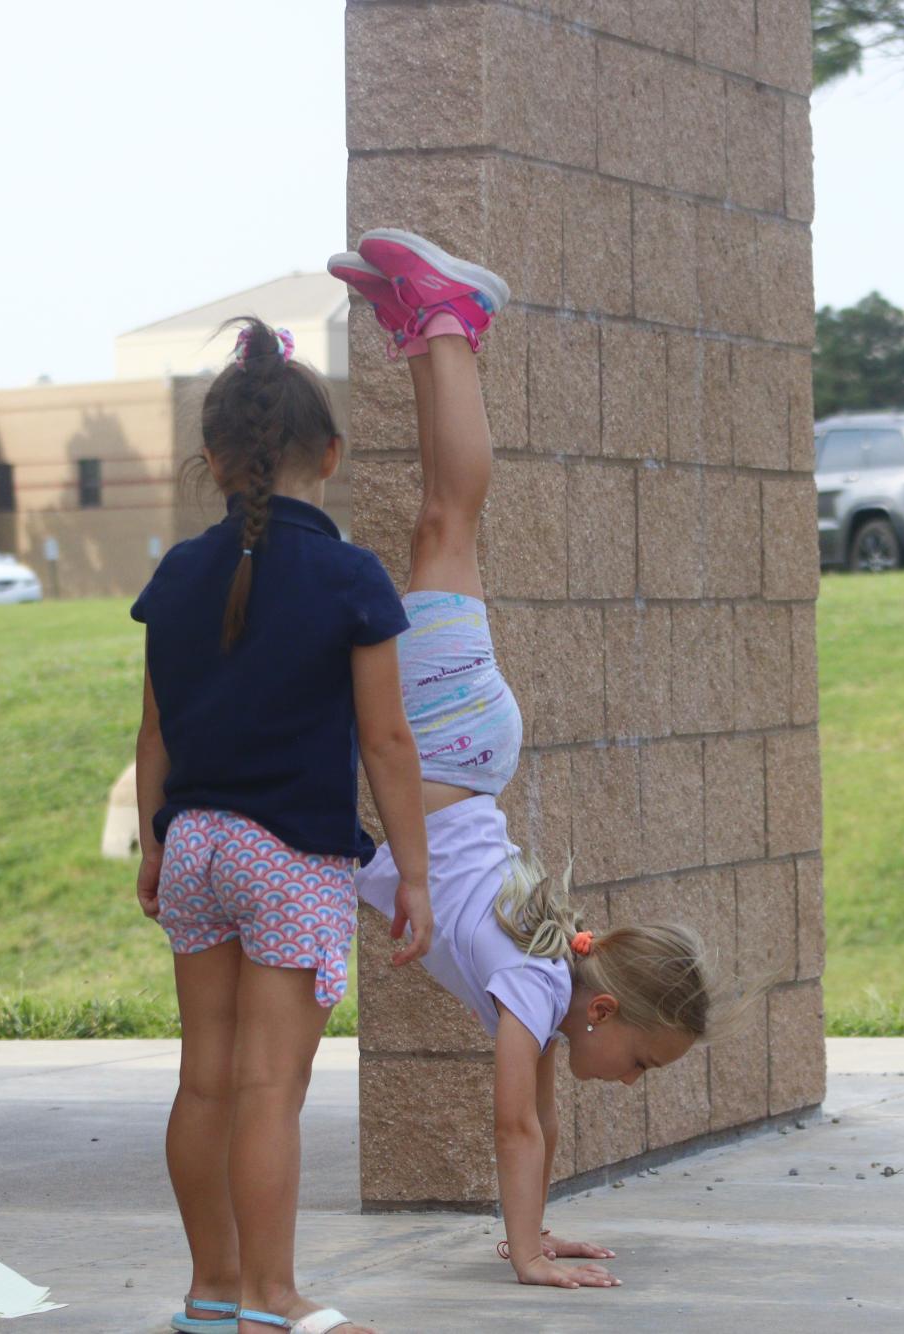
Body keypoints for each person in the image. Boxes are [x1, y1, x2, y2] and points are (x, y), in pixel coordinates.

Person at [331, 230, 735, 1293]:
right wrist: (521, 1256)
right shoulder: (533, 971)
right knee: (446, 523)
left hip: (462, 754)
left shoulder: (551, 978)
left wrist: (539, 1229)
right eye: (642, 1063)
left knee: (439, 523)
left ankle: (429, 329)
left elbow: (537, 1118)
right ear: (604, 1011)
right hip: (454, 742)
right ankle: (451, 320)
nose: (630, 1084)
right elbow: (513, 1119)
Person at [131, 317, 432, 1334]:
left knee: (205, 1076)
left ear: (212, 460)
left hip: (199, 846)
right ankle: (274, 1294)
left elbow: (154, 728)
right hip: (290, 856)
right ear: (332, 456)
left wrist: (155, 841)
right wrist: (417, 876)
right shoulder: (350, 576)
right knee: (271, 1081)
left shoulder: (176, 573)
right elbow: (388, 742)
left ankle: (213, 1286)